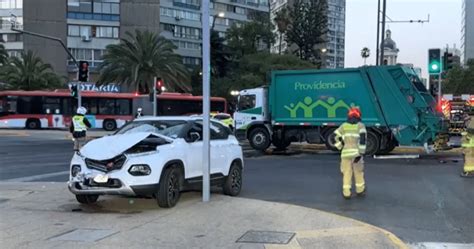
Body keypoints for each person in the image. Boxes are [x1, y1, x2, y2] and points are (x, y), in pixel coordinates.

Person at [333, 107, 367, 199]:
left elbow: (334, 136)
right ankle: (360, 190)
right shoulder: (361, 126)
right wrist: (361, 153)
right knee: (358, 172)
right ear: (359, 115)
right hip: (356, 154)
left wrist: (340, 147)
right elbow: (363, 141)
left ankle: (346, 193)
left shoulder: (343, 126)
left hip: (345, 154)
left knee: (347, 173)